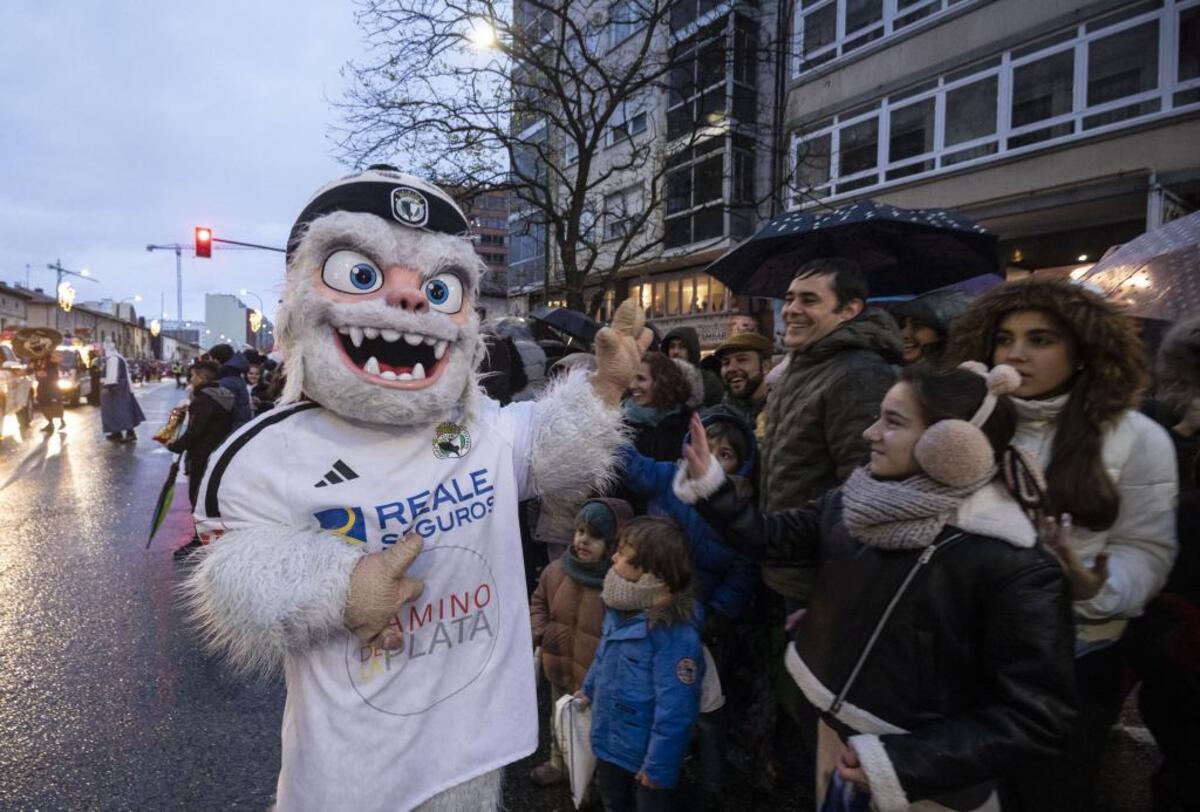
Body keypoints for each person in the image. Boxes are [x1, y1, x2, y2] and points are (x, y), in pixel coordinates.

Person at [182, 167, 648, 810]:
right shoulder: (266, 452)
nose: (409, 302)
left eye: (437, 287)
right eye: (361, 275)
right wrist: (343, 587)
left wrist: (603, 390)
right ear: (297, 299)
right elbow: (236, 580)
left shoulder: (474, 425)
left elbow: (546, 447)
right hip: (353, 766)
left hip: (474, 745)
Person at [675, 363, 1079, 810]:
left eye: (892, 421)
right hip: (834, 734)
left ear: (951, 444)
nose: (870, 433)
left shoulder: (1013, 561)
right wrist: (712, 486)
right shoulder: (854, 500)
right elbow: (770, 537)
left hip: (924, 785)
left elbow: (1036, 715)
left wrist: (903, 763)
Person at [946, 277, 1178, 811]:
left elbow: (1147, 550)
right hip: (967, 654)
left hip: (1073, 661)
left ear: (1081, 353)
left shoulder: (1138, 438)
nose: (1016, 354)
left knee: (1050, 795)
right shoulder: (968, 426)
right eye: (1004, 339)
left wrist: (1094, 585)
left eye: (1040, 340)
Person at [617, 411, 759, 800]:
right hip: (650, 607)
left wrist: (720, 614)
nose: (710, 458)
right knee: (650, 694)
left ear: (741, 462)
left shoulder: (740, 508)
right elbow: (627, 462)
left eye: (724, 454)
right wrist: (608, 408)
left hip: (700, 622)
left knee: (705, 706)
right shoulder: (667, 477)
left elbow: (744, 566)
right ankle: (644, 769)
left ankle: (711, 787)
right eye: (705, 447)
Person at [759, 257, 902, 605]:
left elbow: (862, 487)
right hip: (788, 560)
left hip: (824, 579)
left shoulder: (859, 375)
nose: (791, 309)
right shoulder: (804, 365)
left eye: (809, 300)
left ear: (849, 309)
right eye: (790, 298)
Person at [578, 515, 704, 811]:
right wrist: (589, 689)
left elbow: (676, 710)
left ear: (652, 573)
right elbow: (603, 654)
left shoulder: (674, 635)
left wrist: (658, 765)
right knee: (613, 801)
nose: (613, 557)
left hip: (644, 755)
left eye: (623, 555)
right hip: (609, 740)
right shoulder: (620, 606)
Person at [529, 497, 633, 787]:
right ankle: (557, 763)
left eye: (596, 536)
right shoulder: (557, 571)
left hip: (593, 679)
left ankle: (589, 780)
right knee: (558, 720)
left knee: (590, 731)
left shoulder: (618, 585)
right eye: (580, 531)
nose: (584, 540)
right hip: (558, 665)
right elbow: (539, 602)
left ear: (614, 544)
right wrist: (540, 632)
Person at [167, 360, 235, 555]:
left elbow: (196, 430)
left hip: (201, 455)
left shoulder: (203, 400)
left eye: (194, 376)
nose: (191, 379)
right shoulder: (224, 395)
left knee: (197, 498)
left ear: (203, 377)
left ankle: (200, 540)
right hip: (217, 453)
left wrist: (176, 446)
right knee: (210, 497)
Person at [624, 352, 694, 464]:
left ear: (662, 382)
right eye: (631, 378)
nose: (632, 385)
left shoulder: (687, 422)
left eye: (640, 379)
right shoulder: (620, 423)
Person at [707, 331, 773, 437]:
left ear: (765, 366)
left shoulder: (785, 413)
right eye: (726, 362)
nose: (731, 369)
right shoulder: (711, 420)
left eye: (742, 360)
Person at [889, 289, 972, 367]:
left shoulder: (971, 377)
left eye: (918, 326)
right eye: (902, 325)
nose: (903, 334)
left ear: (947, 332)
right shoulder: (894, 376)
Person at [13, 327, 67, 434]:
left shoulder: (51, 355)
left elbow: (59, 360)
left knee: (56, 402)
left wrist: (49, 351)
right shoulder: (34, 358)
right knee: (43, 403)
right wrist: (15, 372)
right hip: (42, 384)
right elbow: (28, 370)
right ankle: (50, 422)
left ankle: (61, 420)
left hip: (53, 384)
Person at [662, 326, 722, 408]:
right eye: (672, 347)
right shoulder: (661, 381)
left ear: (691, 350)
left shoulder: (709, 382)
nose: (675, 352)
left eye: (682, 346)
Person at [100, 339, 145, 442]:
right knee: (116, 411)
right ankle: (116, 432)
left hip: (117, 389)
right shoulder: (115, 358)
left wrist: (108, 387)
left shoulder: (113, 359)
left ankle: (130, 433)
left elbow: (112, 376)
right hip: (119, 388)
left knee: (122, 411)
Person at [207, 343, 252, 429]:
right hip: (238, 429)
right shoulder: (234, 376)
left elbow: (222, 415)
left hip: (231, 432)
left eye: (210, 359)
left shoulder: (225, 383)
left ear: (216, 361)